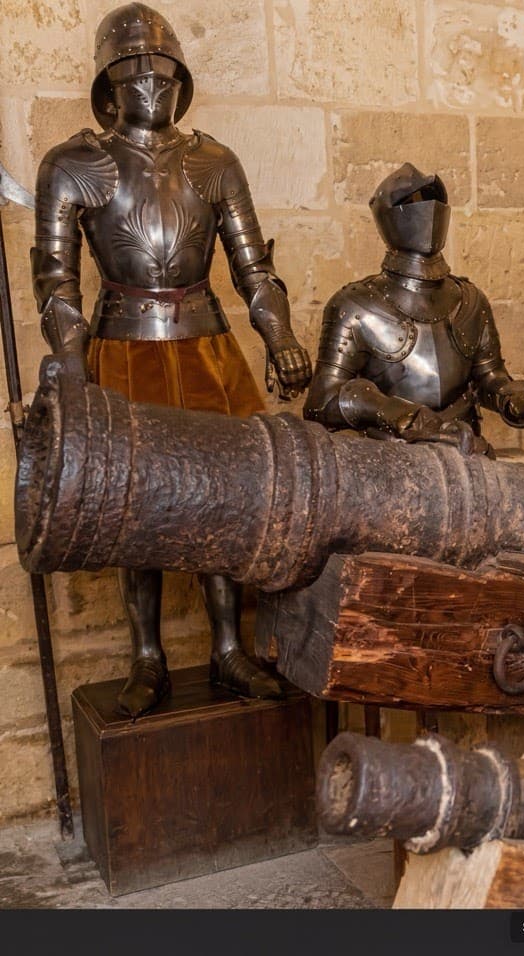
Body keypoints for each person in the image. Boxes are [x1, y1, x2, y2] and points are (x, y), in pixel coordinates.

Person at [32, 3, 312, 716]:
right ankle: (148, 656)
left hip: (208, 345)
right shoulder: (72, 165)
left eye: (160, 66)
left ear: (180, 74)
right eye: (133, 67)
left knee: (227, 496)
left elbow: (254, 268)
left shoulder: (215, 163)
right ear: (108, 78)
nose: (149, 78)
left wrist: (278, 336)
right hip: (122, 345)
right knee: (132, 503)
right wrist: (68, 359)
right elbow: (56, 279)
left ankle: (227, 648)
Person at [305, 164, 524, 451]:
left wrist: (507, 395)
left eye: (433, 202)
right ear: (388, 217)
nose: (427, 213)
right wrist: (390, 410)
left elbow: (488, 376)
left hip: (466, 449)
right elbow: (321, 402)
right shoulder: (355, 305)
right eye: (412, 203)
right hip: (390, 454)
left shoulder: (470, 299)